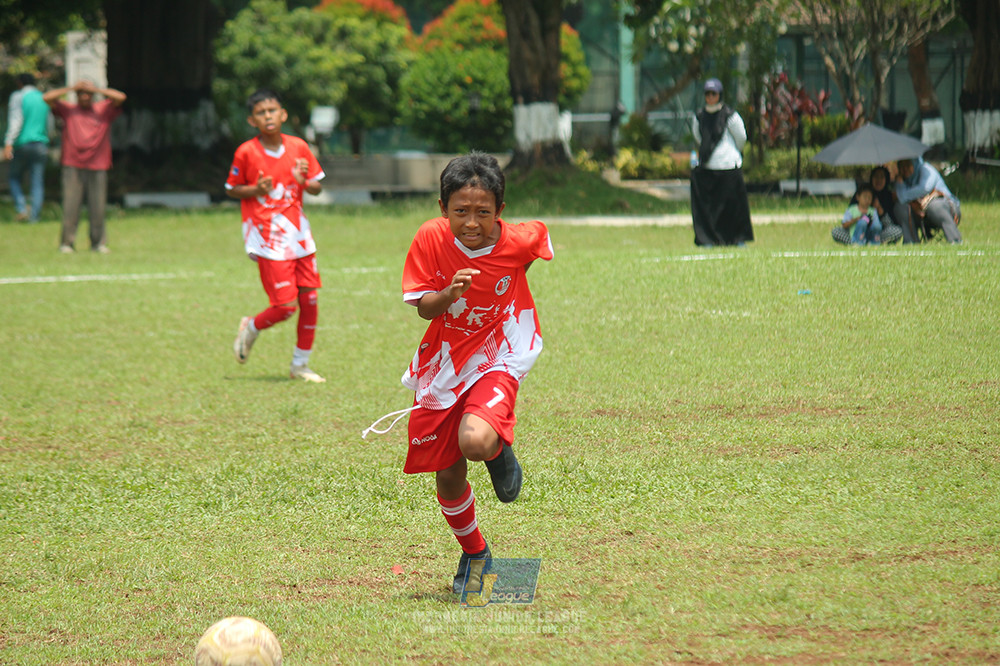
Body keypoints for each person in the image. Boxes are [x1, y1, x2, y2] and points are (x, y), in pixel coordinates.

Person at [397, 152, 552, 593]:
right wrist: (449, 293)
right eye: (460, 211)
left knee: (475, 440)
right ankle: (476, 552)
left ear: (500, 211)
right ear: (442, 208)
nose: (471, 223)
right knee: (447, 476)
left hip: (501, 348)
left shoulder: (516, 239)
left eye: (483, 212)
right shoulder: (430, 238)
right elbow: (424, 308)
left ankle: (496, 447)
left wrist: (516, 268)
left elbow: (538, 239)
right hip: (446, 359)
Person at [227, 89, 327, 383]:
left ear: (283, 115)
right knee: (284, 307)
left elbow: (317, 187)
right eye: (261, 112)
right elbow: (231, 188)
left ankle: (300, 365)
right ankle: (251, 327)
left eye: (272, 110)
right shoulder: (246, 152)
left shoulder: (299, 147)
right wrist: (256, 190)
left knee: (309, 301)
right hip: (267, 237)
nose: (268, 116)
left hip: (299, 235)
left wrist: (303, 181)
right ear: (252, 120)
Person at [43, 79, 126, 253]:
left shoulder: (103, 109)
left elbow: (121, 97)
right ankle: (67, 243)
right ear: (77, 96)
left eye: (88, 94)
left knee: (98, 206)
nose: (85, 96)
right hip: (72, 164)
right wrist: (73, 87)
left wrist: (95, 88)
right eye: (81, 94)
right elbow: (47, 97)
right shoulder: (69, 110)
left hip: (98, 164)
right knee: (71, 206)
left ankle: (98, 243)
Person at [690, 78, 753, 247]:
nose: (710, 97)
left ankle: (738, 240)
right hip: (708, 167)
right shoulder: (699, 117)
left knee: (734, 208)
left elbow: (741, 137)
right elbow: (698, 137)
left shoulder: (731, 115)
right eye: (707, 94)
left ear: (720, 95)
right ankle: (709, 240)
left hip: (729, 166)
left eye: (714, 94)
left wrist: (732, 154)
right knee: (709, 208)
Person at [4, 73, 51, 223]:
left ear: (19, 83)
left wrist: (8, 142)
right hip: (40, 144)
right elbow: (48, 124)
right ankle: (34, 217)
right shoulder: (43, 97)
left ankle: (21, 207)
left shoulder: (18, 96)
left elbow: (16, 120)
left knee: (14, 177)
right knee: (37, 181)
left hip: (23, 143)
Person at [893, 157, 962, 244]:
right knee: (900, 208)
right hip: (921, 215)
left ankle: (955, 241)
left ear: (914, 163)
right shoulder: (902, 179)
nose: (905, 169)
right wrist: (900, 183)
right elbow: (898, 198)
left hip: (946, 209)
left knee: (935, 206)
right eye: (901, 166)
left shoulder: (927, 170)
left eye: (908, 165)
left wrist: (902, 194)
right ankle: (911, 242)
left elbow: (924, 188)